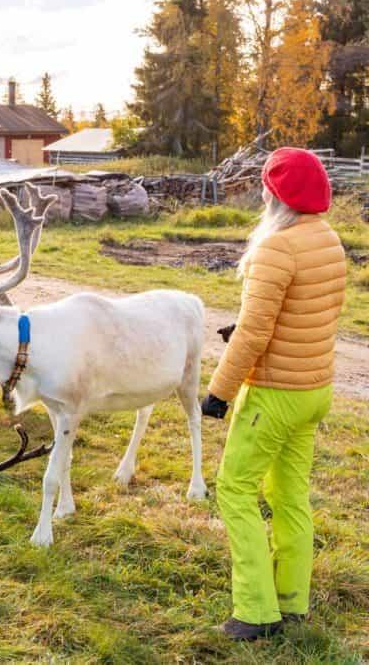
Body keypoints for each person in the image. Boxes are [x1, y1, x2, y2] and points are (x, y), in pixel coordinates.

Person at [202, 148, 346, 641]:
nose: (262, 193)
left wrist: (219, 392)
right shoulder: (327, 239)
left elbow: (256, 334)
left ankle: (255, 611)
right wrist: (242, 325)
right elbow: (305, 313)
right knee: (288, 493)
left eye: (266, 186)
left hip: (274, 394)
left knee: (236, 489)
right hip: (314, 390)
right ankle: (292, 600)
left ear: (277, 195)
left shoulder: (276, 247)